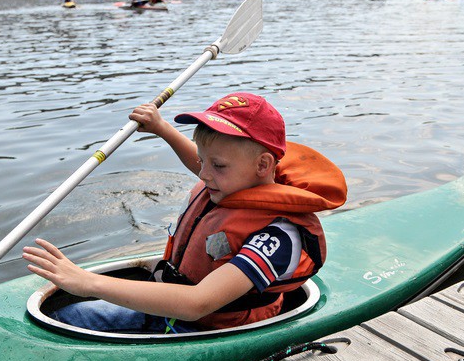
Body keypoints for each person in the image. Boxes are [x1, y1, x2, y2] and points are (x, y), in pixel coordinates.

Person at [22, 93, 347, 333]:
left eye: (216, 165)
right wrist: (162, 128)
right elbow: (203, 161)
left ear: (263, 165)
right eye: (203, 161)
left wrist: (88, 282)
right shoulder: (232, 181)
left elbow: (198, 303)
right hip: (166, 309)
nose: (203, 174)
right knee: (67, 317)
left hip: (204, 329)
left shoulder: (278, 235)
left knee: (83, 310)